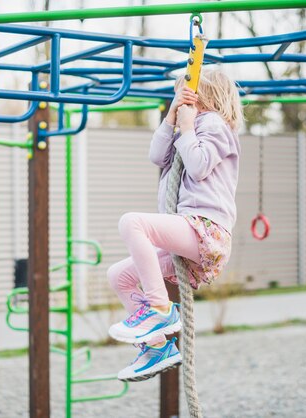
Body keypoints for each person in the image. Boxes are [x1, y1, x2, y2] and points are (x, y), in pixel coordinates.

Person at [107, 68, 243, 382]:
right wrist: (172, 119)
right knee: (118, 276)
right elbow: (156, 156)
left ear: (205, 95)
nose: (180, 102)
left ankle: (158, 308)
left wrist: (187, 128)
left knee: (132, 223)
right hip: (189, 233)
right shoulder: (186, 126)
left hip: (207, 230)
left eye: (185, 95)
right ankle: (156, 348)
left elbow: (198, 167)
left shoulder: (216, 124)